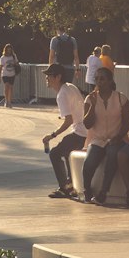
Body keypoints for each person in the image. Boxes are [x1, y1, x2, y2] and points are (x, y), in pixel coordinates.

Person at [81, 67, 129, 206]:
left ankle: (103, 192)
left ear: (110, 81)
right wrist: (92, 106)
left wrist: (118, 137)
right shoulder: (90, 98)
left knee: (113, 155)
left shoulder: (120, 98)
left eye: (102, 79)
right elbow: (87, 124)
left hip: (116, 138)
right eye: (97, 79)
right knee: (89, 162)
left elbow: (126, 123)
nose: (99, 82)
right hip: (97, 139)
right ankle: (87, 189)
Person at [41, 62, 88, 198]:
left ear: (58, 77)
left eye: (49, 76)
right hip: (85, 130)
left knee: (55, 154)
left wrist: (52, 135)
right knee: (67, 152)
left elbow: (69, 120)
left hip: (80, 132)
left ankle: (64, 188)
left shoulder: (62, 94)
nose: (47, 79)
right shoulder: (70, 87)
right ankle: (71, 186)